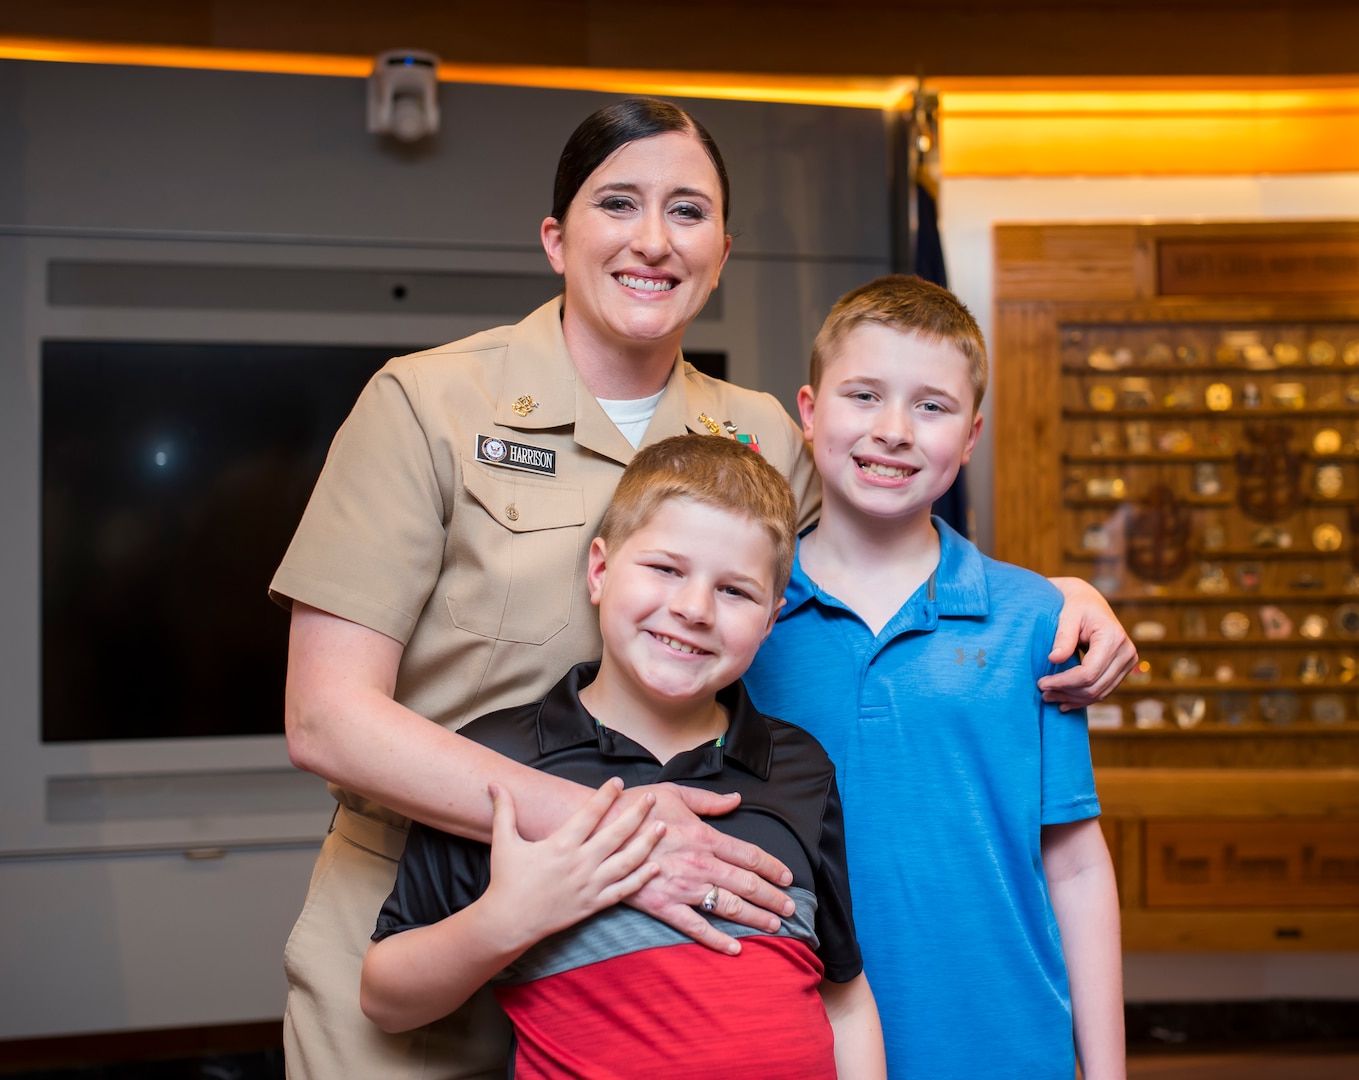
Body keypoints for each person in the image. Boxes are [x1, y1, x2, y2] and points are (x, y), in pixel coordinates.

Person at [271, 98, 1133, 1079]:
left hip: (658, 978)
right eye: (617, 205)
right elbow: (325, 719)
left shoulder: (758, 432)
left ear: (723, 253)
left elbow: (873, 556)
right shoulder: (426, 406)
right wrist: (623, 835)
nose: (652, 240)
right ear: (556, 238)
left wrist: (1059, 593)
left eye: (687, 212)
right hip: (432, 935)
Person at [361, 435, 884, 1079]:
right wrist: (509, 918)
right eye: (666, 569)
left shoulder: (800, 766)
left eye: (735, 592)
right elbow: (386, 998)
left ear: (773, 619)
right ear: (600, 571)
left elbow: (845, 993)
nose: (693, 609)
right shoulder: (499, 760)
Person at [743, 275, 1126, 1079]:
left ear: (972, 434)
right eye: (864, 396)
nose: (893, 431)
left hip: (1004, 1045)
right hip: (793, 1044)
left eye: (931, 406)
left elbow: (1077, 863)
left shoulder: (1034, 619)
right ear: (809, 413)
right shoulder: (744, 621)